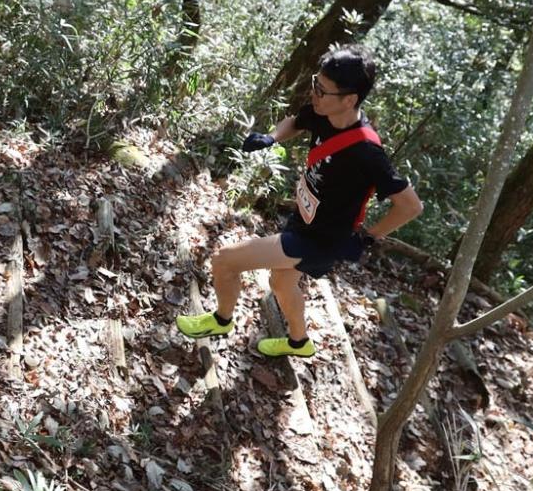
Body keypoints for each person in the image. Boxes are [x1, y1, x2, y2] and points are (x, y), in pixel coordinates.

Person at [176, 45, 422, 358]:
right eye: (314, 85)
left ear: (350, 99)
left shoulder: (367, 153)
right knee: (281, 283)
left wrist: (369, 238)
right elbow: (295, 121)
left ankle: (221, 320)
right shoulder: (324, 113)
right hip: (304, 220)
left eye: (323, 90)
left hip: (321, 240)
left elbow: (410, 206)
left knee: (225, 260)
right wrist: (271, 138)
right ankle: (299, 342)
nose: (314, 94)